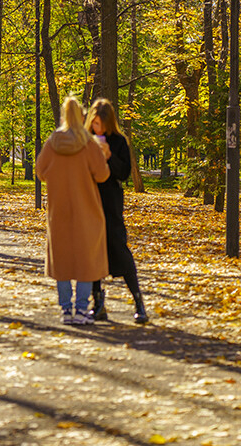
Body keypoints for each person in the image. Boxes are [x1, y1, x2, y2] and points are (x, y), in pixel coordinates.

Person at [35, 96, 111, 326]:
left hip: (59, 211)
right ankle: (80, 310)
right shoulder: (88, 143)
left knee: (63, 261)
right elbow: (102, 175)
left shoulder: (53, 142)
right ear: (81, 115)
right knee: (86, 262)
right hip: (87, 210)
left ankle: (66, 311)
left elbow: (40, 170)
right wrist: (105, 155)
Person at [86, 98, 149, 324]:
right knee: (92, 253)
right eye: (94, 123)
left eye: (100, 124)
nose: (97, 128)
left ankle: (139, 302)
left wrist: (109, 156)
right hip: (90, 200)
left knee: (119, 248)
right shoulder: (86, 140)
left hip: (111, 201)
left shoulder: (119, 141)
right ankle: (98, 303)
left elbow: (123, 174)